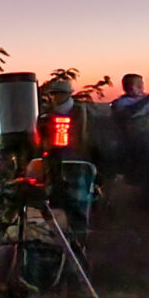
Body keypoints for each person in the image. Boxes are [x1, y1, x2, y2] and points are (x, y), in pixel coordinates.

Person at [38, 78, 94, 243]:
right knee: (56, 206)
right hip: (54, 167)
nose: (55, 98)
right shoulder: (46, 116)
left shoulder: (80, 112)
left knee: (78, 207)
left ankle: (78, 245)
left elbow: (83, 139)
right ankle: (59, 246)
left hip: (77, 165)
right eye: (53, 94)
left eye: (59, 94)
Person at [110, 73, 149, 189]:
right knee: (134, 182)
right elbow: (130, 113)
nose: (142, 87)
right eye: (138, 84)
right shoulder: (120, 103)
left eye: (141, 84)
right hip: (131, 149)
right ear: (130, 87)